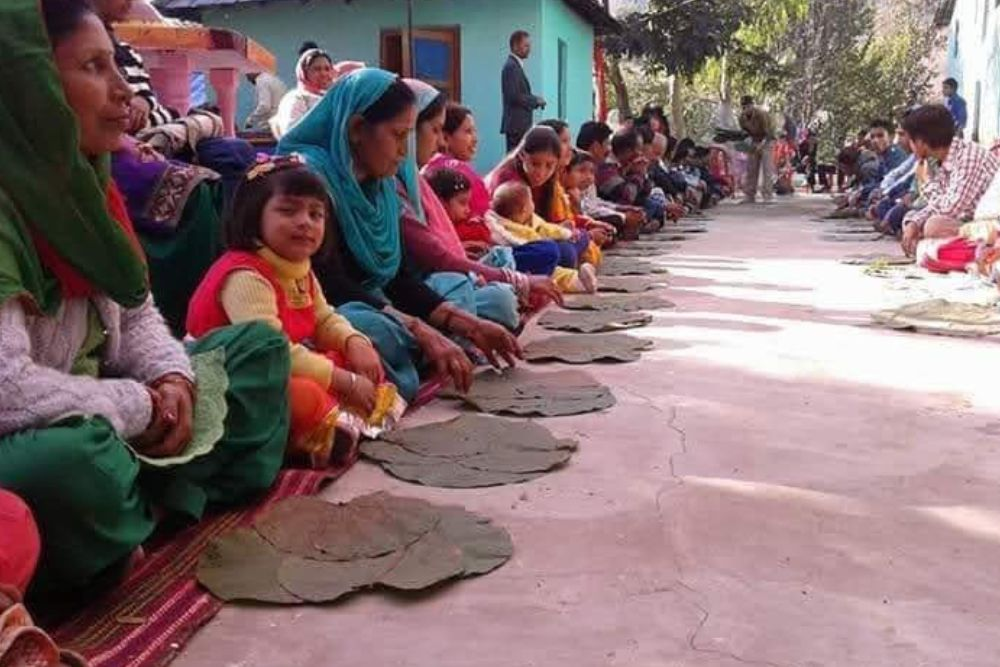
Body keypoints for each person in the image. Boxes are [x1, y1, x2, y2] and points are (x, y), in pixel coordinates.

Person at [0, 0, 291, 595]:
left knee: (259, 351)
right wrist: (141, 406)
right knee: (70, 466)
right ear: (30, 86)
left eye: (117, 67)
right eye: (93, 68)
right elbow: (7, 391)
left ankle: (135, 516)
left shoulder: (88, 191)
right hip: (35, 432)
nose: (122, 94)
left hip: (115, 415)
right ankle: (140, 507)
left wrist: (173, 381)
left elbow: (137, 318)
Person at [277, 68, 521, 402]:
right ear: (358, 129)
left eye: (408, 136)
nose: (404, 153)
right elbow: (330, 285)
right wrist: (420, 329)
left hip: (381, 303)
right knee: (376, 334)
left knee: (459, 291)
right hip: (327, 313)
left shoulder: (381, 188)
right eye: (397, 135)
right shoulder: (309, 184)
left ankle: (422, 351)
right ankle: (408, 357)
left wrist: (468, 324)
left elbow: (397, 276)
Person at [187, 156, 402, 469]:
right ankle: (321, 432)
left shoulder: (300, 268)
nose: (306, 222)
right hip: (234, 377)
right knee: (302, 395)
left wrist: (354, 342)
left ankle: (338, 424)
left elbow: (324, 318)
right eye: (288, 211)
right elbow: (273, 352)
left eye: (316, 214)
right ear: (253, 216)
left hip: (283, 364)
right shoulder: (245, 276)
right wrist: (345, 382)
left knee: (364, 357)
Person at [397, 79, 560, 330]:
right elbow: (435, 259)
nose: (441, 142)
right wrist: (516, 280)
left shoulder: (414, 180)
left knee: (504, 268)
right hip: (426, 292)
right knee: (491, 292)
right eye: (437, 130)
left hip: (450, 276)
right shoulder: (413, 182)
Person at [428, 168, 589, 294]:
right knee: (552, 252)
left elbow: (502, 237)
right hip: (486, 268)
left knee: (551, 250)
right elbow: (449, 258)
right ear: (440, 203)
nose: (467, 209)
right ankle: (570, 281)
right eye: (462, 203)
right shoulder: (439, 229)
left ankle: (577, 281)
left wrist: (527, 245)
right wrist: (463, 248)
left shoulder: (478, 218)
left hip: (505, 257)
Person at [487, 126, 594, 269]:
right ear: (522, 156)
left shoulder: (549, 183)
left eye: (549, 166)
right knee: (564, 252)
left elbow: (544, 220)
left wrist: (561, 230)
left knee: (582, 237)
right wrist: (554, 234)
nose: (541, 172)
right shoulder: (508, 182)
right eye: (535, 164)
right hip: (511, 243)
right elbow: (512, 231)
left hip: (538, 236)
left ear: (557, 163)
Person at [900, 104, 1000, 256]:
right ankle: (937, 249)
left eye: (911, 140)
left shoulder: (968, 156)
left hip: (992, 224)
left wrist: (926, 182)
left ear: (920, 141)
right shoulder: (943, 159)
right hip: (971, 222)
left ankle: (974, 254)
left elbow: (950, 209)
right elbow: (938, 204)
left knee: (934, 226)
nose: (910, 146)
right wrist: (914, 222)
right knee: (912, 219)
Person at [424, 104, 492, 218]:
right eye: (468, 132)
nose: (475, 139)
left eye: (474, 131)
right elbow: (484, 215)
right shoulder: (460, 172)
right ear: (446, 138)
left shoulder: (427, 167)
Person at [271, 47, 336, 139]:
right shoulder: (296, 98)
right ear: (304, 73)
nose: (323, 73)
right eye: (317, 69)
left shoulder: (332, 97)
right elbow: (291, 132)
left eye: (327, 69)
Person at [501, 30, 545, 152]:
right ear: (515, 45)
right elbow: (514, 96)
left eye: (529, 46)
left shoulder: (516, 66)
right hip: (516, 126)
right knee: (516, 162)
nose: (529, 49)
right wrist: (535, 100)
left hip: (520, 125)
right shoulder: (511, 67)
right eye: (526, 45)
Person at [738, 95, 775, 203]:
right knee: (751, 168)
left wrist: (762, 144)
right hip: (754, 141)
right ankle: (749, 195)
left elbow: (769, 132)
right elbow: (745, 133)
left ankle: (767, 196)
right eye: (743, 107)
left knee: (767, 169)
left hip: (767, 140)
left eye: (748, 106)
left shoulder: (761, 114)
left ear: (752, 105)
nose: (746, 109)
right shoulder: (741, 118)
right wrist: (750, 144)